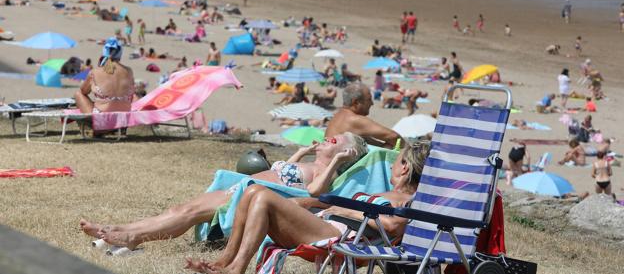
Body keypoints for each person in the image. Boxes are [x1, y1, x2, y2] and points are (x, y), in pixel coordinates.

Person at [80, 132, 368, 250]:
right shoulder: (309, 162)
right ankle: (121, 229)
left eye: (335, 140)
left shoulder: (325, 174)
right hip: (241, 186)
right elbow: (284, 170)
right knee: (180, 210)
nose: (328, 139)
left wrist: (338, 162)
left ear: (346, 152)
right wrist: (303, 152)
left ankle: (131, 237)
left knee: (189, 213)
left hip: (249, 195)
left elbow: (313, 191)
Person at [184, 142, 430, 274]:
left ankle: (236, 269)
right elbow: (340, 202)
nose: (390, 168)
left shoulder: (409, 201)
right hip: (328, 226)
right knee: (250, 192)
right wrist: (308, 202)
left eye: (395, 163)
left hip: (343, 238)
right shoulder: (384, 193)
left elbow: (392, 224)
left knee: (262, 196)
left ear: (405, 167)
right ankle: (224, 262)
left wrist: (347, 212)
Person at [325, 83, 406, 149]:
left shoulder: (337, 116)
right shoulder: (354, 119)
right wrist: (408, 151)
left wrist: (384, 145)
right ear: (356, 103)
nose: (372, 103)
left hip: (332, 164)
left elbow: (370, 141)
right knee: (392, 146)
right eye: (369, 99)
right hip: (342, 168)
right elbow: (394, 137)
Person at [75, 38, 134, 114]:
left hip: (102, 117)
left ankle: (89, 123)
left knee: (78, 94)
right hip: (124, 114)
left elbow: (83, 91)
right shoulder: (129, 71)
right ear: (120, 54)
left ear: (104, 53)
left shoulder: (95, 72)